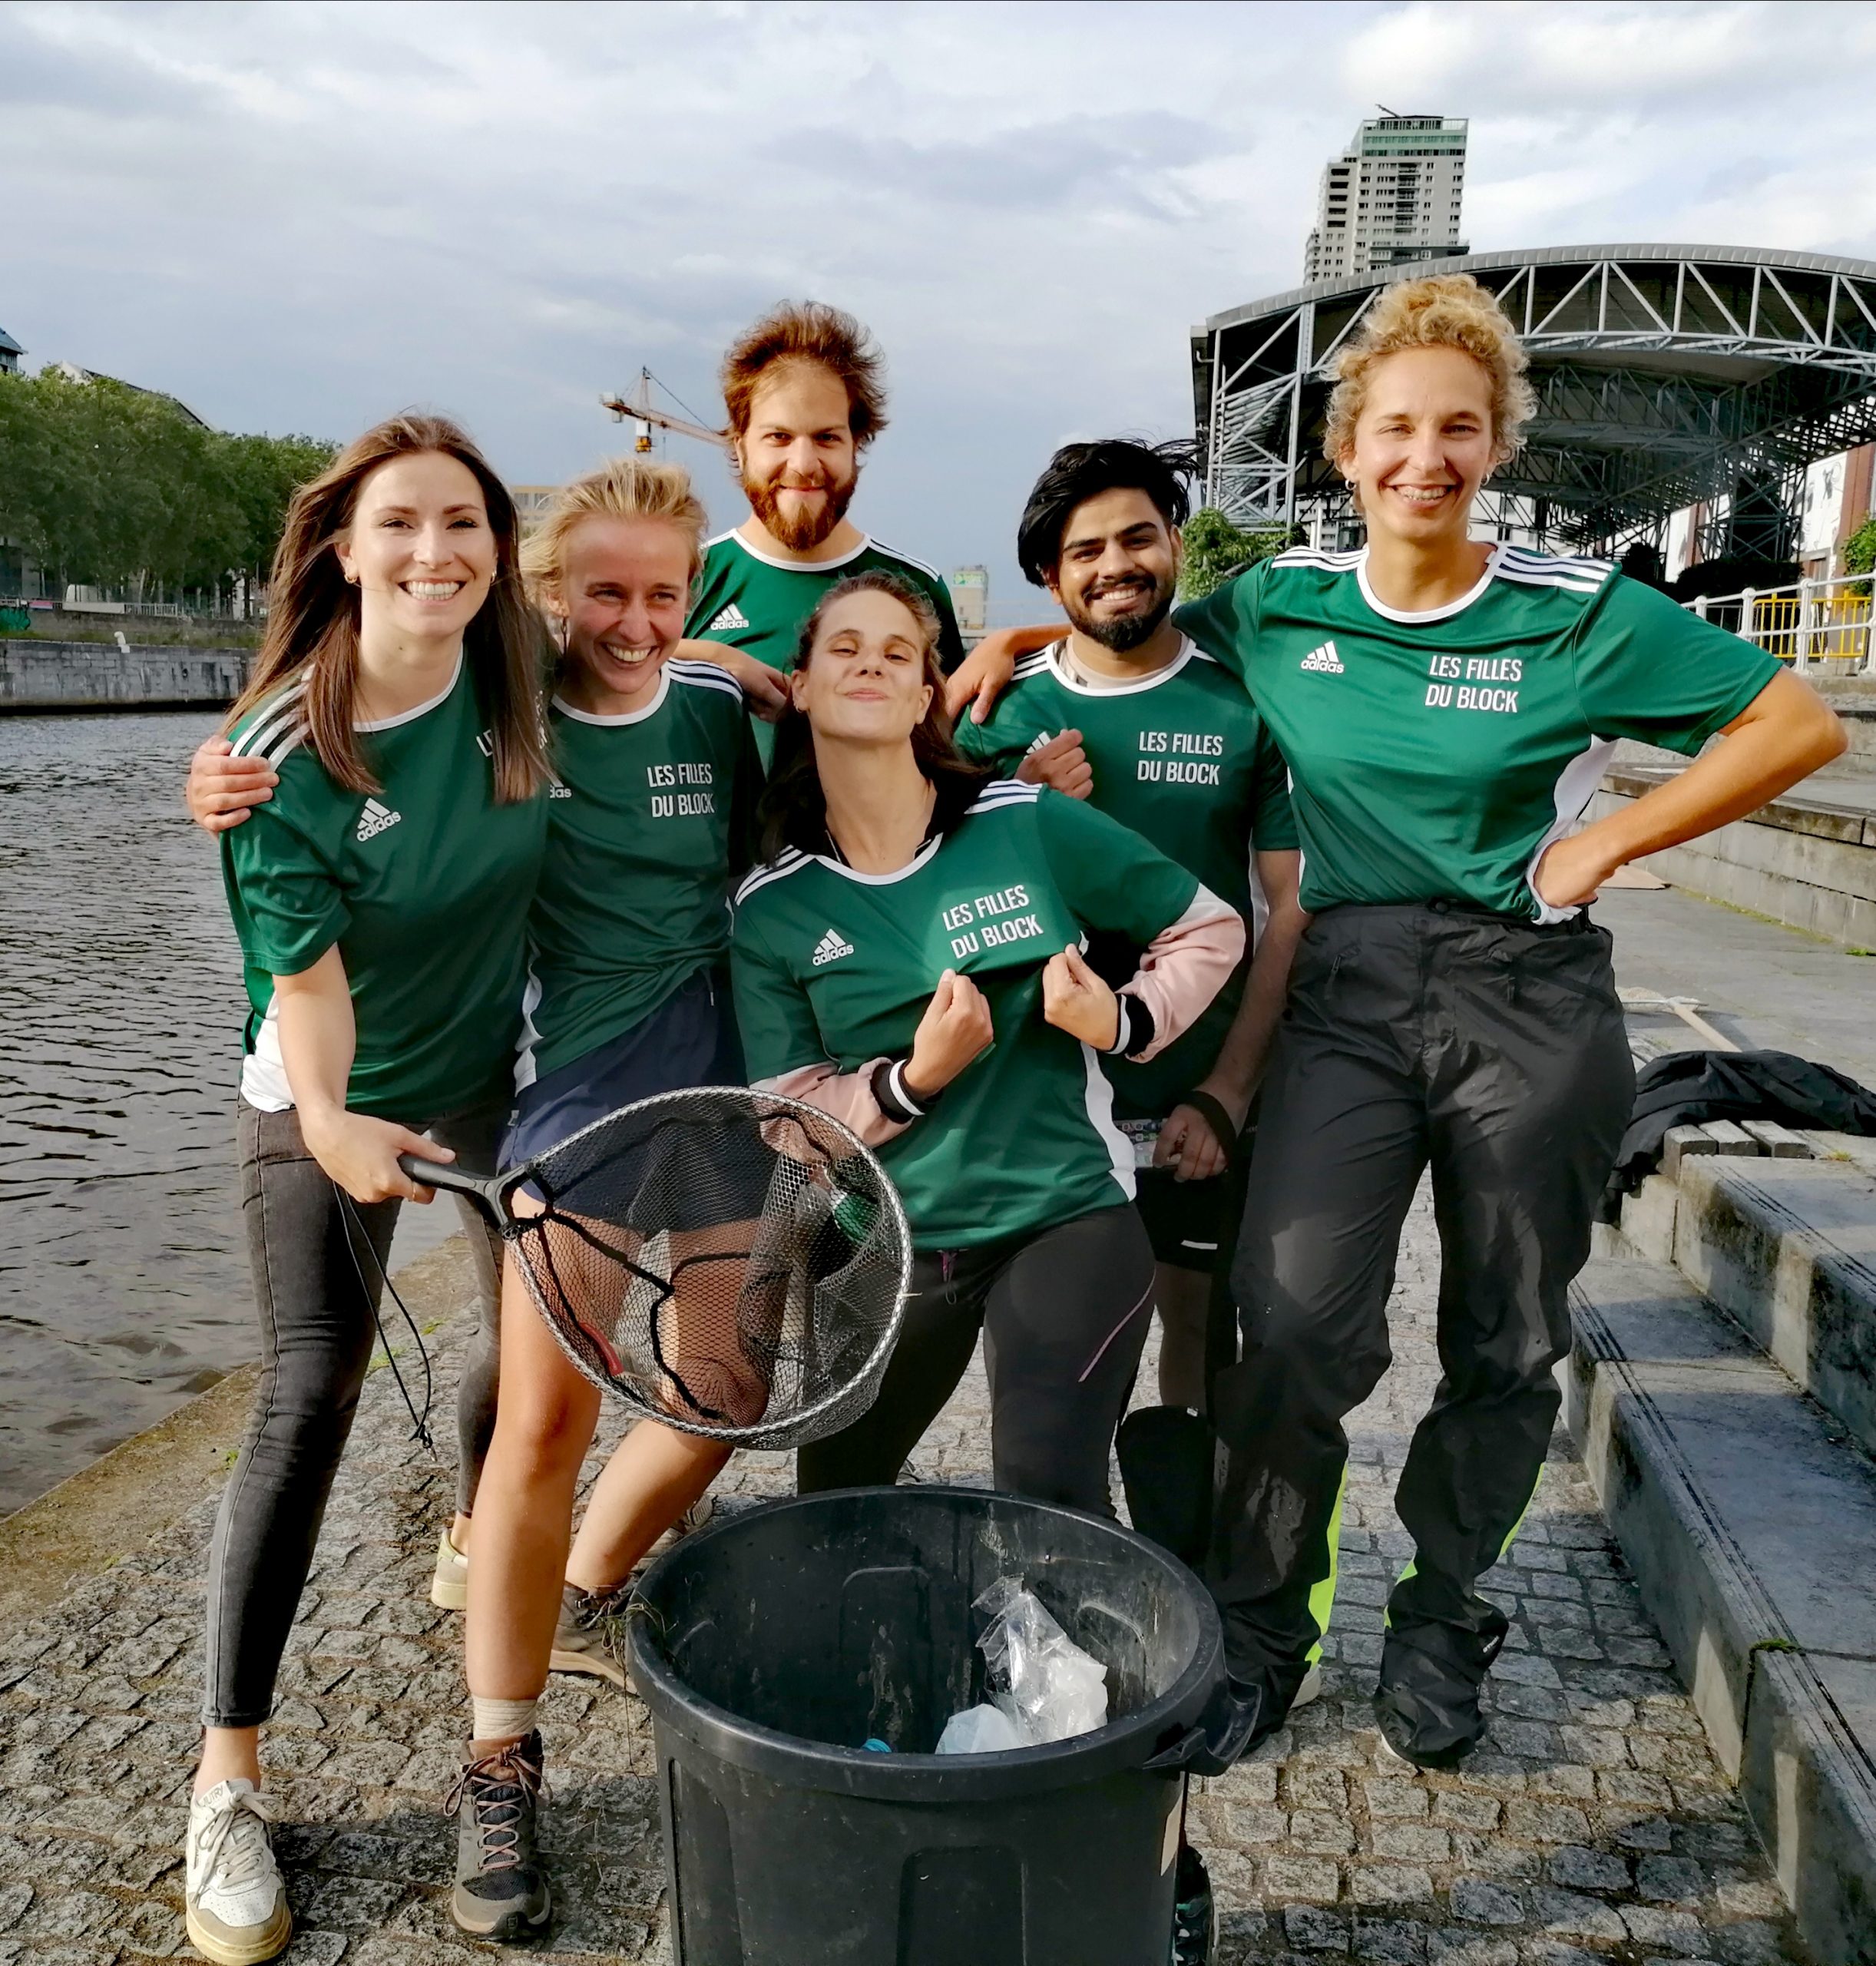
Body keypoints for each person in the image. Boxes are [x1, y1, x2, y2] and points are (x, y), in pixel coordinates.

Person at [1170, 276, 1845, 1767]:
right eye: (1396, 427)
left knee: (1506, 1335)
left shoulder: (1576, 615)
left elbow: (1796, 725)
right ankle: (1262, 1617)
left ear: (1495, 449)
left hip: (1529, 999)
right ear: (1346, 449)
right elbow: (1133, 655)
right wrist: (998, 658)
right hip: (1344, 993)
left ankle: (1445, 1606)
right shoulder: (1281, 605)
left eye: (1459, 428)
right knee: (1287, 1324)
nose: (1426, 455)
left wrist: (1607, 840)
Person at [187, 414, 551, 1966]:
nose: (435, 553)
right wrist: (332, 1119)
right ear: (345, 547)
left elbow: (693, 647)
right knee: (310, 1392)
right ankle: (226, 1778)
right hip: (339, 1076)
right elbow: (310, 986)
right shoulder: (280, 747)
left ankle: (475, 1522)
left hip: (501, 1068)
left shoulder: (516, 668)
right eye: (400, 524)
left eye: (463, 522)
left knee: (526, 1347)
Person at [730, 570, 1245, 1511]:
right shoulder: (773, 906)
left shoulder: (1023, 821)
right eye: (844, 648)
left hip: (1062, 1220)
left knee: (1044, 1484)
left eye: (899, 653)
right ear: (799, 685)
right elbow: (789, 1116)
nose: (871, 665)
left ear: (930, 694)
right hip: (888, 1240)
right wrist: (912, 1080)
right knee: (836, 1500)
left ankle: (1079, 1657)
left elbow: (1210, 926)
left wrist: (1123, 1018)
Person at [443, 457, 766, 1941]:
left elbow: (858, 776)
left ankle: (577, 1584)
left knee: (723, 1385)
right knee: (543, 1419)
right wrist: (230, 777)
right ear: (549, 590)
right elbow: (340, 754)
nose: (636, 622)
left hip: (723, 1088)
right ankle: (498, 1755)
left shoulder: (714, 709)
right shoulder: (493, 720)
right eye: (606, 592)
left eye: (664, 593)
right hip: (579, 1098)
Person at [952, 439, 1307, 1413]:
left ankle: (1180, 1545)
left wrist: (1229, 1092)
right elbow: (943, 910)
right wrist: (1015, 811)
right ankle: (1066, 1544)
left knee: (1196, 1322)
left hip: (1191, 1086)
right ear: (1046, 574)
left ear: (1176, 544)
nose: (1116, 565)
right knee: (1063, 1344)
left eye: (1138, 538)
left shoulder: (1242, 706)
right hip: (1047, 1102)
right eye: (1085, 550)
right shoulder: (999, 713)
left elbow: (1289, 911)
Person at [683, 300, 966, 715]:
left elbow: (954, 746)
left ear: (857, 446)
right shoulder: (691, 578)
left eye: (827, 438)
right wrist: (710, 658)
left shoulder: (916, 587)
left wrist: (1006, 642)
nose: (803, 465)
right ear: (741, 448)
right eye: (779, 437)